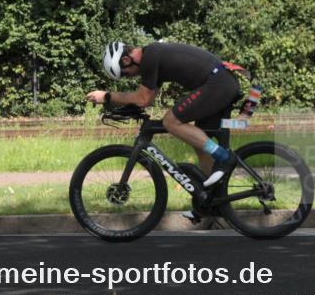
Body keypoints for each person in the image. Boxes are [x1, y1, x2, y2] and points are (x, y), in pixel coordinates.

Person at [86, 41, 242, 191]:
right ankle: (214, 198)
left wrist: (107, 96)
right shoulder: (154, 56)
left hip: (218, 83)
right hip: (220, 81)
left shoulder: (150, 57)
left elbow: (142, 99)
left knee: (170, 122)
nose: (130, 77)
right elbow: (147, 100)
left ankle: (224, 157)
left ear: (127, 60)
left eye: (125, 74)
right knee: (199, 142)